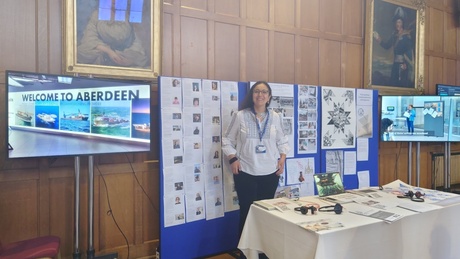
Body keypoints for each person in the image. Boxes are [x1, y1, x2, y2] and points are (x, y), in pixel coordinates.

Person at [222, 81, 289, 237]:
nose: (261, 95)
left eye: (264, 92)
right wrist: (233, 159)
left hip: (270, 173)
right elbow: (226, 140)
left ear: (269, 96)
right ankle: (247, 252)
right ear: (252, 95)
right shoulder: (240, 116)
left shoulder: (276, 117)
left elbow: (283, 141)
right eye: (257, 91)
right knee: (247, 212)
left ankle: (264, 251)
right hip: (246, 172)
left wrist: (282, 159)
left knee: (266, 213)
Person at [77, 9, 148, 67]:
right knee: (82, 53)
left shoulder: (129, 15)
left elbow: (137, 40)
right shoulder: (97, 14)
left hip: (124, 53)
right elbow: (89, 38)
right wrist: (109, 51)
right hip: (101, 51)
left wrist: (131, 59)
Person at [373, 7, 414, 87]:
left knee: (402, 85)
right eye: (396, 22)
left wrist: (406, 64)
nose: (397, 24)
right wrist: (378, 38)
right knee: (393, 84)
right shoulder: (394, 36)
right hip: (395, 65)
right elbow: (386, 46)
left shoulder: (406, 36)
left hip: (403, 66)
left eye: (399, 22)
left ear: (402, 23)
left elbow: (409, 52)